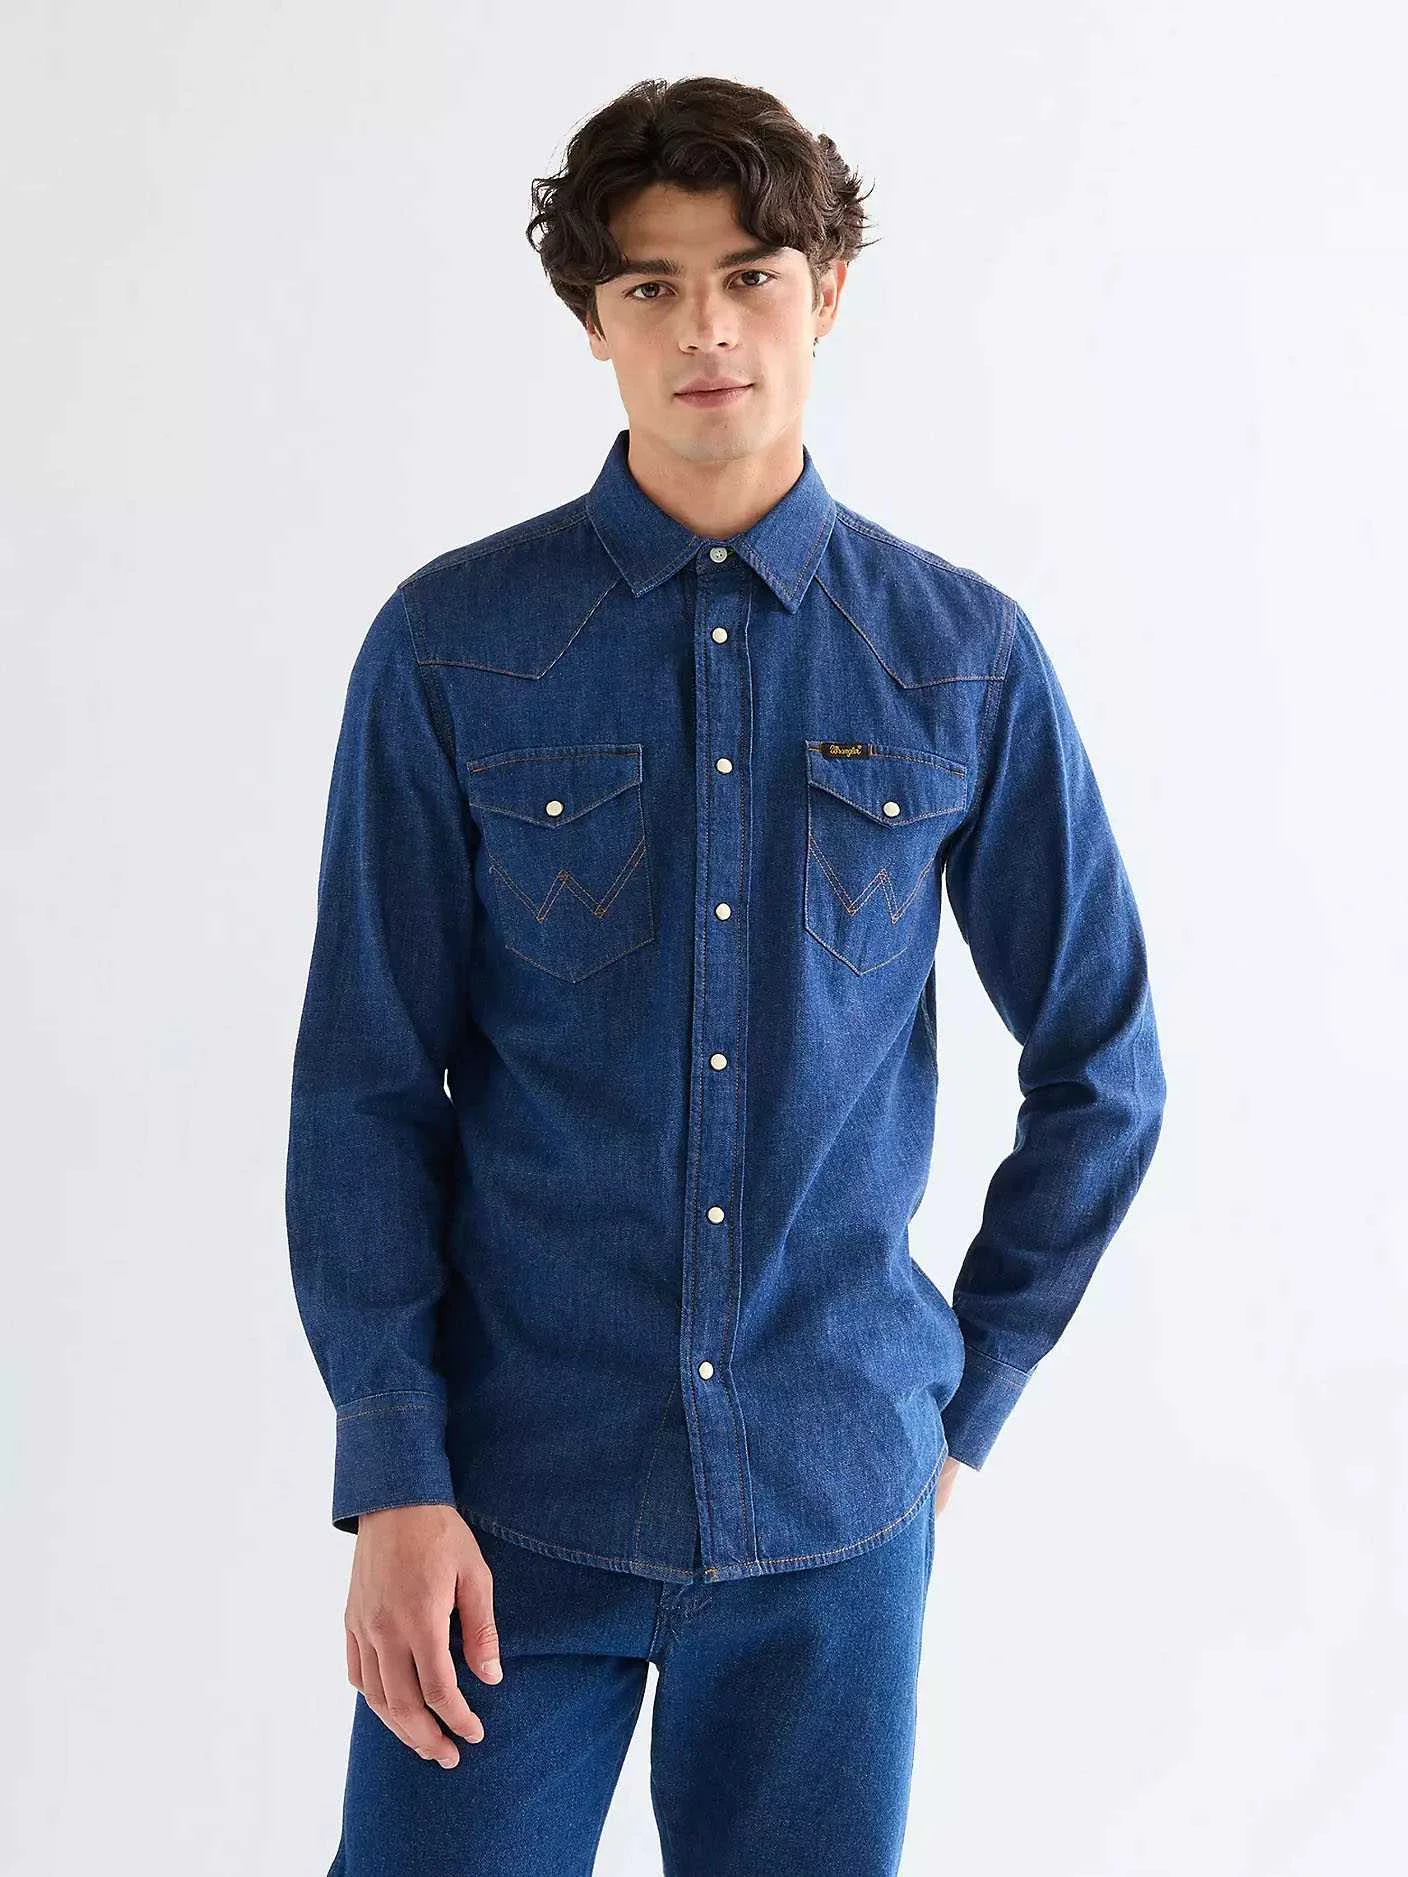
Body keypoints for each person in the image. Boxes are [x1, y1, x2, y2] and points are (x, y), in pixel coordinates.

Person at [286, 73, 1167, 1877]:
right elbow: (366, 1085)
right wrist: (392, 1471)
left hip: (837, 1515)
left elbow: (1105, 1067)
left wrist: (961, 1400)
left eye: (751, 275)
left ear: (825, 291)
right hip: (506, 1512)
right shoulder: (453, 644)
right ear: (592, 319)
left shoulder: (961, 658)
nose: (705, 329)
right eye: (652, 286)